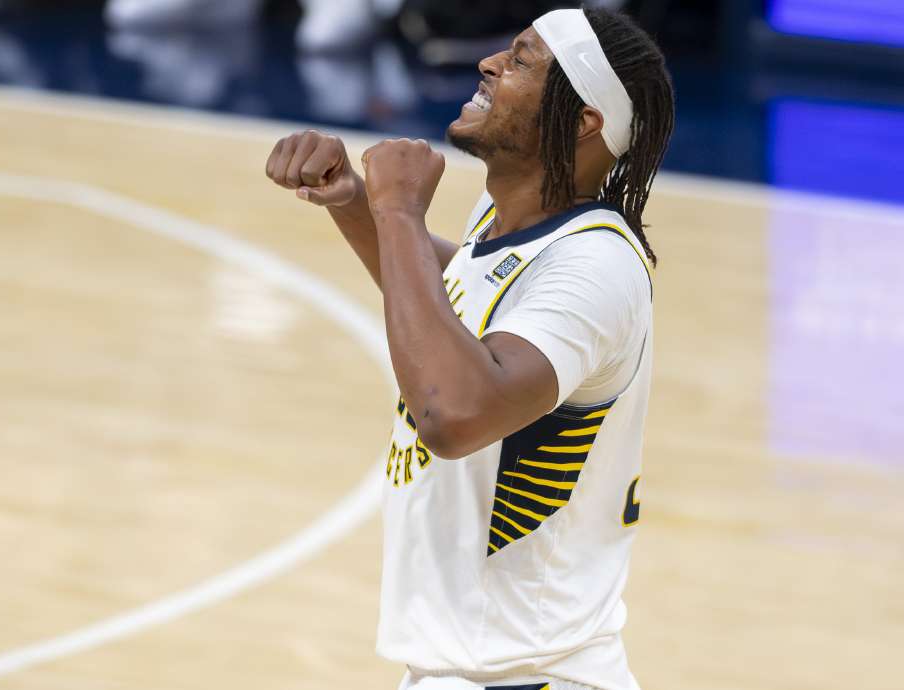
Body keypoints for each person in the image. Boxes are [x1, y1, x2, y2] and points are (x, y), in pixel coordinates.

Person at [265, 7, 673, 689]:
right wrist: (355, 203)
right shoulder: (514, 224)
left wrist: (398, 211)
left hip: (526, 673)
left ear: (583, 121)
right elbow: (454, 296)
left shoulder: (594, 269)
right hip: (475, 665)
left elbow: (454, 414)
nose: (489, 64)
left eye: (521, 61)